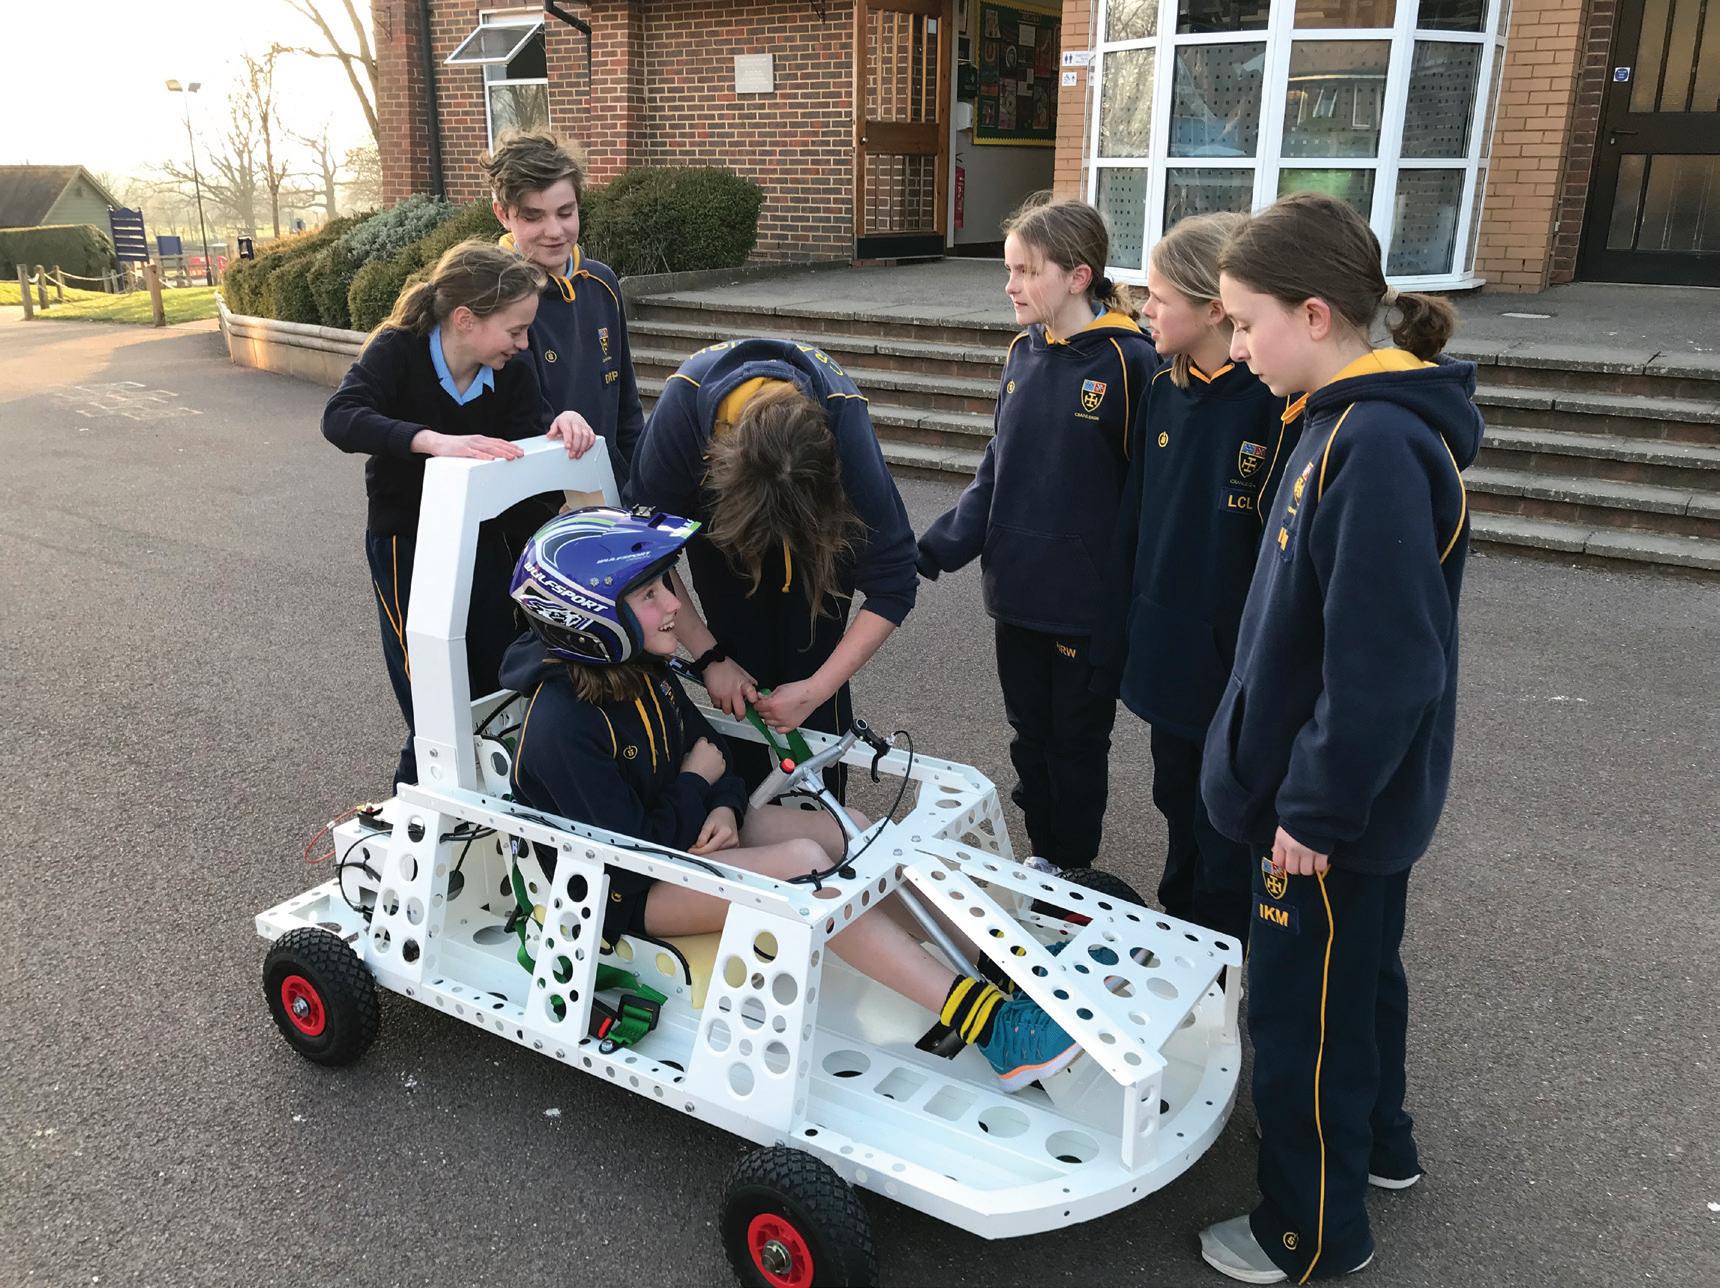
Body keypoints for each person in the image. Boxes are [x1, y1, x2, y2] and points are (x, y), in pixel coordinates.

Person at [498, 507, 1083, 1092]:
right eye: (651, 594)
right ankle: (994, 1030)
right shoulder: (561, 728)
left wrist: (722, 804)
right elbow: (633, 851)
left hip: (681, 833)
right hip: (622, 893)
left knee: (851, 830)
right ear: (588, 618)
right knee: (807, 869)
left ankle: (999, 967)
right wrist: (700, 785)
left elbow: (711, 754)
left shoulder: (641, 668)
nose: (674, 602)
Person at [1193, 192, 1483, 1284]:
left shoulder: (1373, 443)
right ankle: (1382, 1149)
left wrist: (1311, 808)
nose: (1235, 346)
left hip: (1321, 817)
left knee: (1303, 1017)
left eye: (1244, 322)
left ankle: (1309, 1232)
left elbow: (1386, 664)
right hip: (1342, 803)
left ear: (1313, 314)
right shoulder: (1337, 420)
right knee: (1358, 982)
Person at [916, 195, 1156, 871]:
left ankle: (1072, 870)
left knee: (1075, 745)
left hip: (1085, 608)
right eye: (1009, 269)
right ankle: (1044, 859)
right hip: (1017, 592)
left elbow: (1146, 498)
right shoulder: (1022, 352)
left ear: (1078, 277)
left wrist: (1134, 600)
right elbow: (998, 467)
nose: (1010, 285)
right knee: (1029, 739)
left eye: (1025, 270)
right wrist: (939, 546)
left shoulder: (1130, 363)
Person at [1093, 212, 1302, 944]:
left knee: (1226, 828)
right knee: (1175, 800)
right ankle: (1182, 933)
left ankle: (1222, 955)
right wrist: (1120, 633)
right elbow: (1136, 523)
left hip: (1232, 672)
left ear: (1215, 309)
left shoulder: (1274, 406)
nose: (1144, 309)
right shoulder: (1162, 389)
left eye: (1158, 296)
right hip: (1168, 656)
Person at [624, 339, 918, 798]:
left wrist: (815, 690)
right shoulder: (681, 413)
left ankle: (821, 810)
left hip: (820, 550)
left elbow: (895, 580)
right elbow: (644, 550)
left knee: (812, 681)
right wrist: (710, 657)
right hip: (726, 544)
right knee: (739, 677)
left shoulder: (843, 416)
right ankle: (741, 809)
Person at [322, 240, 553, 789]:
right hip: (407, 544)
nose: (524, 343)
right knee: (431, 697)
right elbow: (341, 417)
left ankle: (483, 809)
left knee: (493, 685)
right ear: (466, 319)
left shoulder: (514, 370)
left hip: (487, 544)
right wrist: (433, 442)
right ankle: (407, 815)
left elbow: (533, 443)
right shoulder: (397, 350)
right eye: (516, 330)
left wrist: (563, 427)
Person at [485, 128, 637, 487]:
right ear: (503, 214)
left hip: (608, 491)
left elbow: (627, 410)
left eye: (565, 212)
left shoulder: (603, 283)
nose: (554, 231)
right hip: (534, 495)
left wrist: (637, 485)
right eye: (533, 217)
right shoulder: (489, 296)